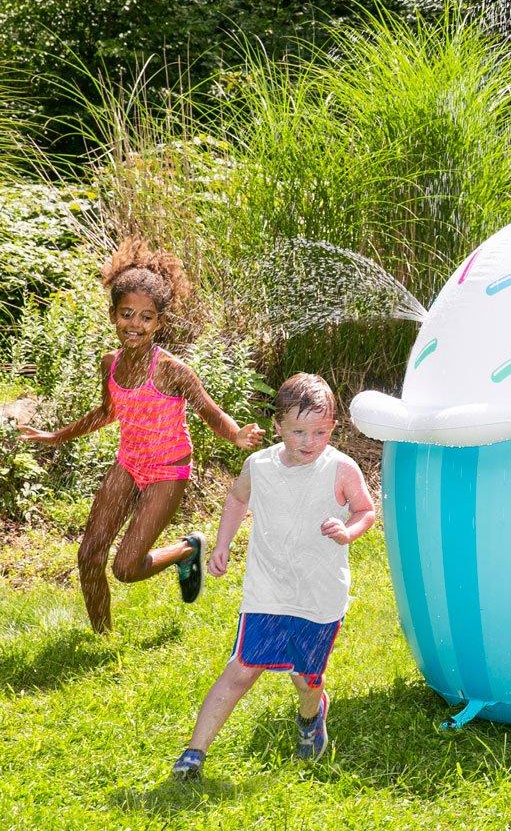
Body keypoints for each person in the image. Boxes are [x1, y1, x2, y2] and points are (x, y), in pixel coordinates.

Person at [17, 237, 264, 633]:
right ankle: (103, 636)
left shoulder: (171, 370)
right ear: (113, 313)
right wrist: (52, 437)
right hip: (129, 463)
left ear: (159, 323)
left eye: (146, 317)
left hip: (168, 471)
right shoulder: (110, 363)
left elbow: (209, 411)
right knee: (89, 555)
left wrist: (235, 435)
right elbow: (106, 412)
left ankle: (187, 549)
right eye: (127, 314)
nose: (135, 324)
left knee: (127, 568)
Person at [171, 373, 376, 778]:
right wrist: (223, 543)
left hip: (318, 596)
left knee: (306, 679)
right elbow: (236, 498)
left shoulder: (340, 468)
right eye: (298, 431)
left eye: (320, 431)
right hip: (267, 589)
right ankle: (194, 753)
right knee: (242, 669)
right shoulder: (259, 465)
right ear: (278, 426)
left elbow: (366, 510)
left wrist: (348, 531)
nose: (308, 441)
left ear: (332, 428)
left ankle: (310, 718)